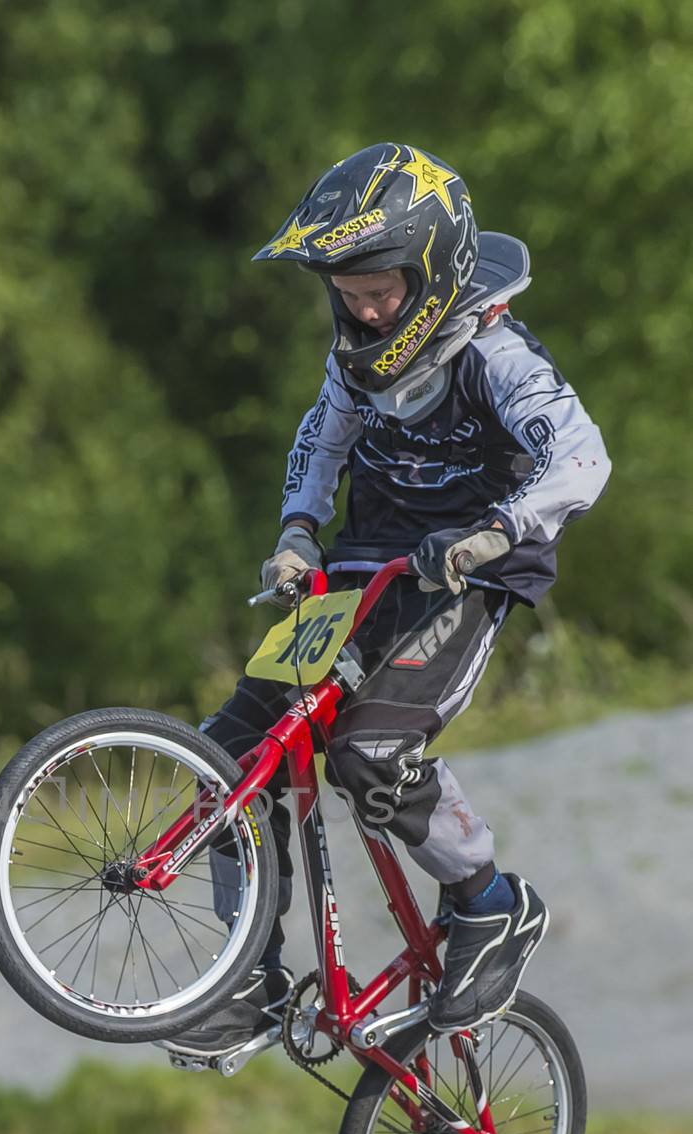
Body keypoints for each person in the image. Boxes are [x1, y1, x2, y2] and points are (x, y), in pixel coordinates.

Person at [172, 141, 610, 1054]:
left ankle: (489, 904)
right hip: (362, 565)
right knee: (229, 757)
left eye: (382, 289)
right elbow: (318, 443)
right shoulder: (351, 359)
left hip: (466, 570)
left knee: (369, 752)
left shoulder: (494, 355)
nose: (365, 308)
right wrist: (296, 531)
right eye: (346, 291)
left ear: (435, 269)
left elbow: (582, 458)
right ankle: (246, 972)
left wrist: (497, 532)